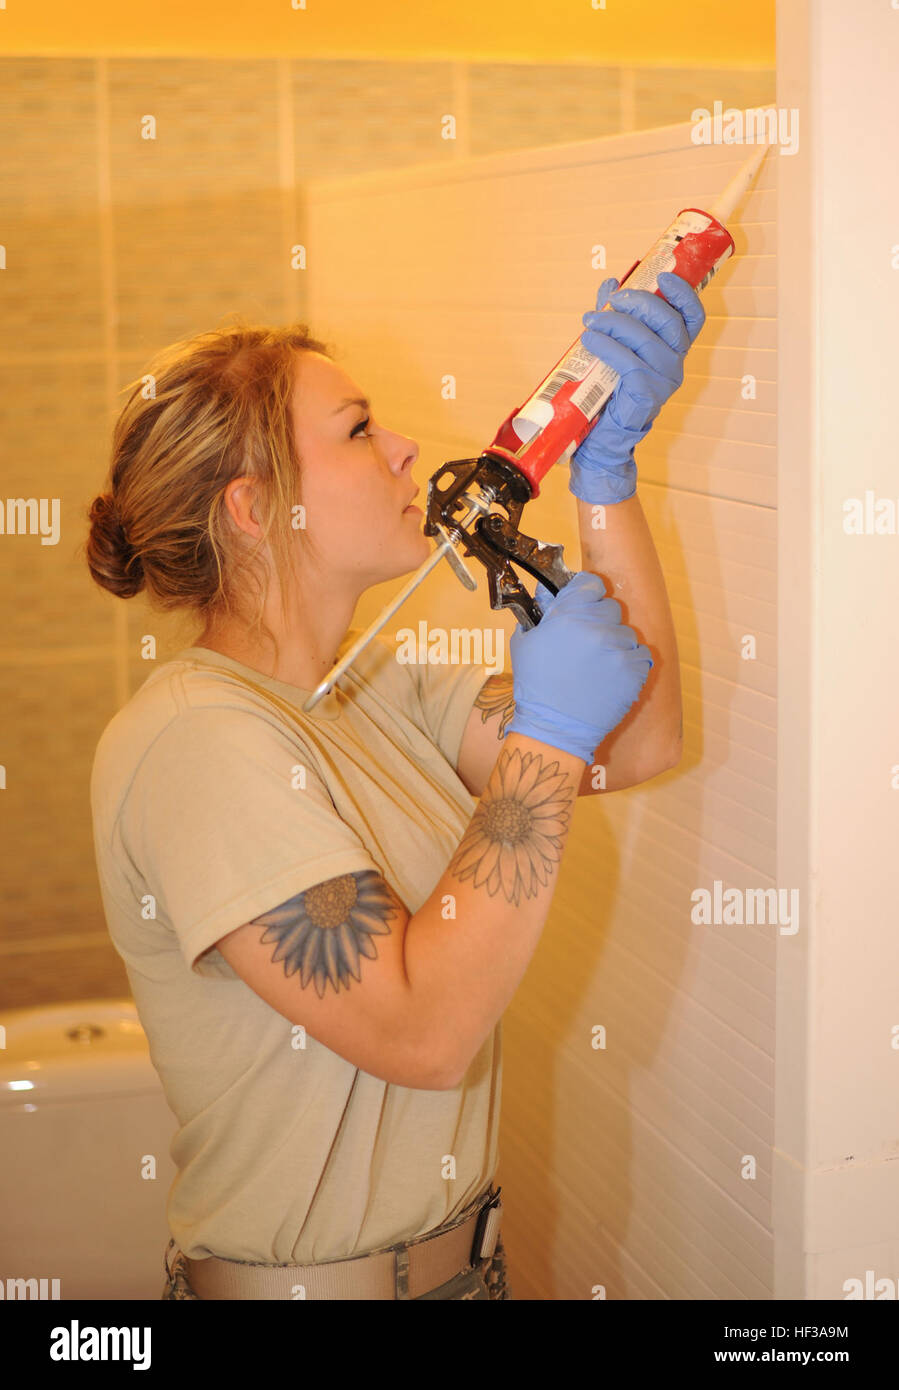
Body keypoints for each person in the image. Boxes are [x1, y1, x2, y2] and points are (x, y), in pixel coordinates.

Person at [85, 271, 703, 1300]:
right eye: (359, 428)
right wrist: (543, 735)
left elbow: (639, 741)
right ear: (254, 506)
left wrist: (606, 482)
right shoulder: (192, 743)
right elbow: (421, 1033)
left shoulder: (375, 688)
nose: (406, 448)